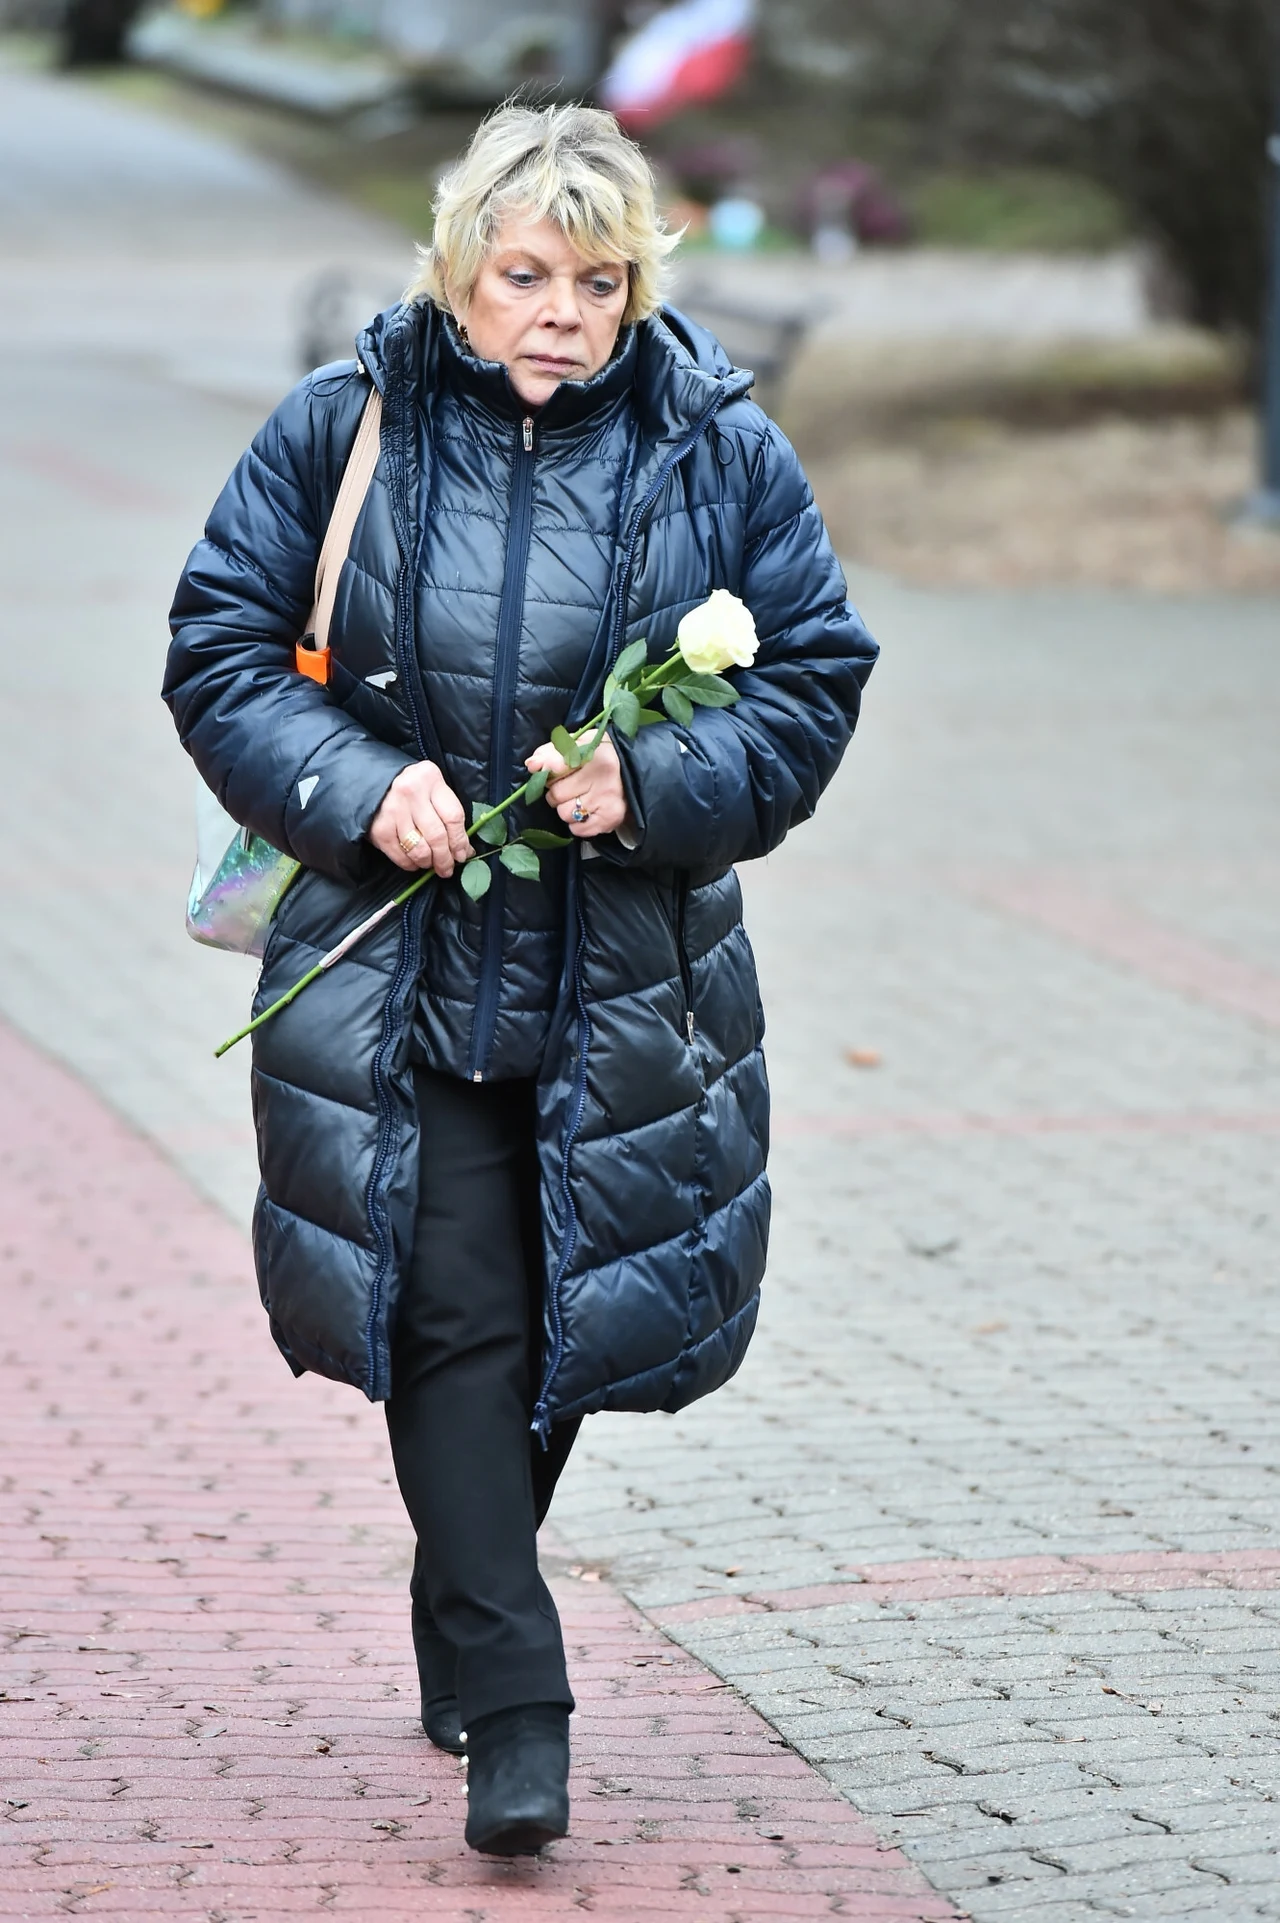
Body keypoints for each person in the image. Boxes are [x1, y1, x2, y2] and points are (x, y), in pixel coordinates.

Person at [163, 102, 877, 1857]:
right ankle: (524, 1694)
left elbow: (810, 675)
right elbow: (223, 647)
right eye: (527, 272)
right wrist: (354, 783)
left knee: (548, 1345)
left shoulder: (717, 449)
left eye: (599, 278)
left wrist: (659, 781)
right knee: (455, 1317)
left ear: (637, 291)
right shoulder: (346, 429)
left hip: (620, 985)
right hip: (394, 983)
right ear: (460, 271)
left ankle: (458, 1593)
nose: (561, 308)